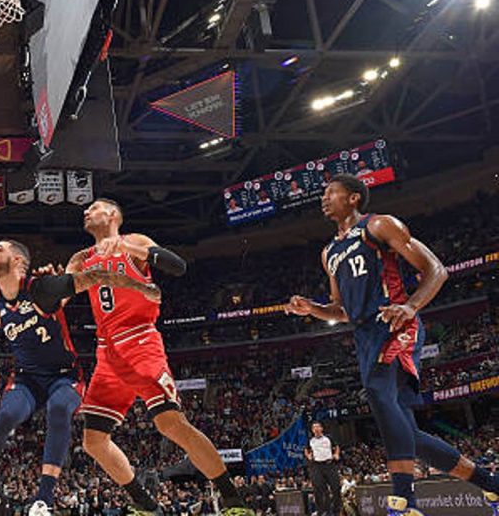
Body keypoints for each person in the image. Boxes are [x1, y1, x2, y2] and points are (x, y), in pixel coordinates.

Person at [285, 174, 499, 516]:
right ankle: (492, 486)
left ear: (353, 198)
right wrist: (312, 308)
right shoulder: (329, 253)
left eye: (330, 192)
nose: (323, 199)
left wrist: (411, 306)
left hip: (395, 323)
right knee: (409, 435)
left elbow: (436, 270)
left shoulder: (380, 226)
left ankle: (404, 502)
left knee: (377, 392)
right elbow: (340, 310)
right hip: (364, 335)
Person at [0, 240, 161, 516]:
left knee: (59, 408)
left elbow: (95, 276)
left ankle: (43, 500)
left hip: (65, 376)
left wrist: (141, 287)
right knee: (4, 417)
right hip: (27, 380)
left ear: (16, 261)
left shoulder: (41, 289)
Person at [65, 199, 253, 516]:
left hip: (139, 340)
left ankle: (234, 501)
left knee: (171, 425)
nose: (86, 211)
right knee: (93, 441)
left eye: (94, 207)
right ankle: (145, 505)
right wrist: (51, 280)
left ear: (112, 214)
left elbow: (176, 265)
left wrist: (128, 249)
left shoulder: (135, 242)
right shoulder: (81, 258)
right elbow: (59, 294)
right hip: (106, 351)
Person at [305, 422, 341, 516]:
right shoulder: (310, 440)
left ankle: (337, 510)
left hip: (329, 464)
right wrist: (308, 456)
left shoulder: (328, 438)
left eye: (317, 427)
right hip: (317, 466)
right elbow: (306, 449)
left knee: (336, 487)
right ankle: (322, 511)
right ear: (312, 430)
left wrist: (336, 454)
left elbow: (336, 446)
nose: (316, 429)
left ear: (321, 428)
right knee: (319, 489)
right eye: (314, 427)